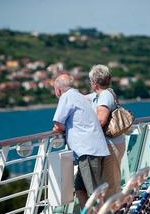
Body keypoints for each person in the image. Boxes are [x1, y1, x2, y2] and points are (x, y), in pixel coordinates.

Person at [52, 73, 110, 208]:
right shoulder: (79, 96)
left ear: (59, 90)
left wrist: (59, 128)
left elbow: (58, 124)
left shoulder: (66, 97)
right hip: (93, 149)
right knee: (79, 188)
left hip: (87, 152)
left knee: (94, 193)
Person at [87, 64, 126, 199]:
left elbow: (101, 120)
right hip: (115, 143)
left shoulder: (104, 96)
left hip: (111, 146)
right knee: (112, 183)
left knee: (110, 187)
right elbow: (87, 97)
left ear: (94, 83)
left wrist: (84, 131)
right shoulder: (107, 93)